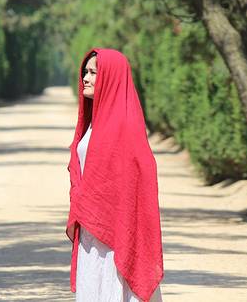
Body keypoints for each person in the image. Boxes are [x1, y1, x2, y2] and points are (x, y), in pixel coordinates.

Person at [66, 48, 164, 302]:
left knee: (112, 285)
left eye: (93, 73)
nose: (85, 78)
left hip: (115, 229)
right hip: (91, 227)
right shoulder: (93, 123)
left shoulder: (124, 125)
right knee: (93, 284)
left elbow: (139, 176)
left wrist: (122, 223)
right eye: (85, 72)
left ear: (110, 78)